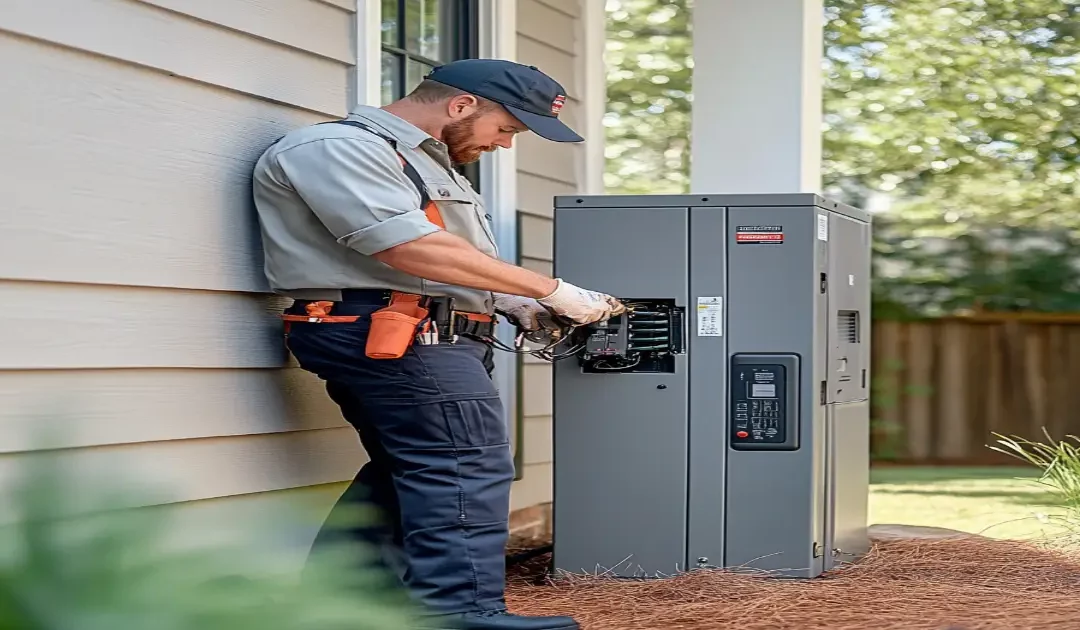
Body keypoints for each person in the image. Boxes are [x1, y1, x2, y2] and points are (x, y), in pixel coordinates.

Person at [250, 59, 624, 630]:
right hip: (390, 332)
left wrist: (506, 301)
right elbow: (406, 250)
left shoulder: (428, 165)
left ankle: (340, 606)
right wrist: (553, 289)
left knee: (413, 469)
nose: (505, 144)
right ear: (460, 106)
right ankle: (459, 613)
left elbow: (446, 265)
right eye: (507, 129)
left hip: (425, 332)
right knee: (462, 464)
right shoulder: (338, 149)